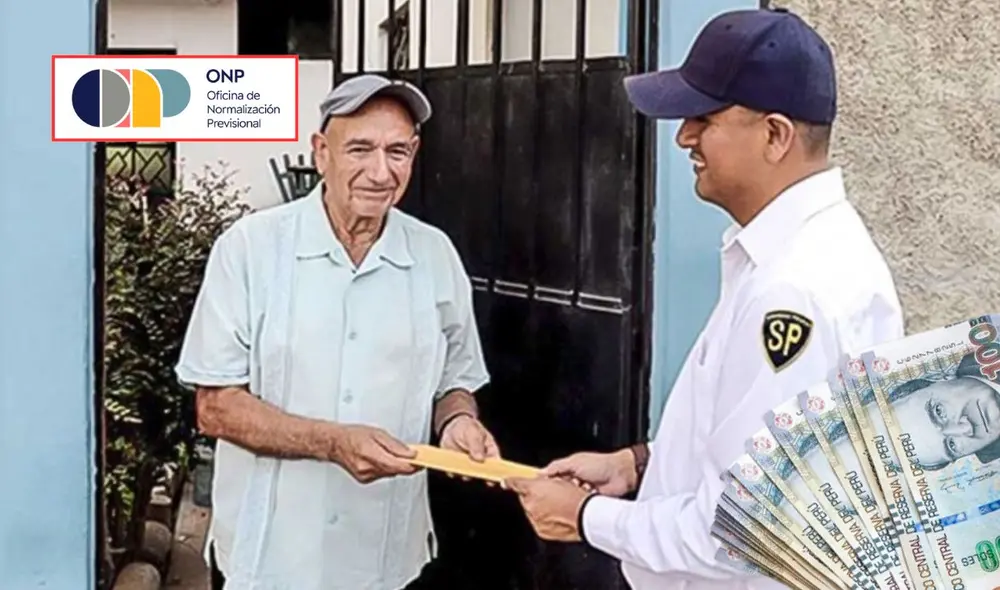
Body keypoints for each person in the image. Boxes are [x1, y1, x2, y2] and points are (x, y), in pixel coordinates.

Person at [503, 7, 906, 590]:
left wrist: (585, 517)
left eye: (704, 117)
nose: (683, 135)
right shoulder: (799, 253)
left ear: (775, 135)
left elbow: (745, 530)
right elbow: (761, 446)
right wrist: (638, 464)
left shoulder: (794, 288)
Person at [175, 73, 499, 590]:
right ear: (321, 152)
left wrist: (457, 422)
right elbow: (215, 406)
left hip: (386, 560)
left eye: (397, 151)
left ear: (414, 155)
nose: (380, 171)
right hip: (271, 560)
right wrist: (331, 442)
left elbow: (454, 380)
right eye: (360, 149)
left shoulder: (434, 255)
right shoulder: (250, 249)